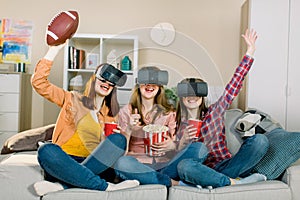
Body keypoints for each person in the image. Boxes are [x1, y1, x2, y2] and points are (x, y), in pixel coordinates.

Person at [31, 42, 139, 196]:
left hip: (93, 162)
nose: (106, 85)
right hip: (65, 160)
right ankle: (106, 187)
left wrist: (128, 130)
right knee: (46, 150)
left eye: (110, 84)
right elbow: (39, 84)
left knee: (118, 140)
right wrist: (53, 51)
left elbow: (116, 152)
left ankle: (63, 185)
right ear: (94, 79)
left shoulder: (111, 114)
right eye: (103, 80)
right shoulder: (72, 99)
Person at [176, 29, 270, 188]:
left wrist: (250, 51)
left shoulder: (214, 112)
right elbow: (170, 158)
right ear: (181, 97)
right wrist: (182, 140)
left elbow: (234, 85)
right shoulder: (175, 121)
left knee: (260, 141)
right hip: (199, 168)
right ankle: (233, 183)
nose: (192, 97)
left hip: (225, 165)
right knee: (184, 166)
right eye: (187, 93)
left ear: (202, 96)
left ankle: (215, 181)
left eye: (196, 92)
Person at [114, 66, 207, 187]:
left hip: (165, 166)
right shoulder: (126, 111)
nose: (150, 85)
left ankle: (152, 179)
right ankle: (171, 182)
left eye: (155, 82)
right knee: (122, 163)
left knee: (199, 148)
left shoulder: (169, 113)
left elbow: (177, 149)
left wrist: (172, 145)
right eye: (145, 81)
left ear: (160, 87)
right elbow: (121, 152)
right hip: (138, 165)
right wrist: (129, 130)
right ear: (139, 85)